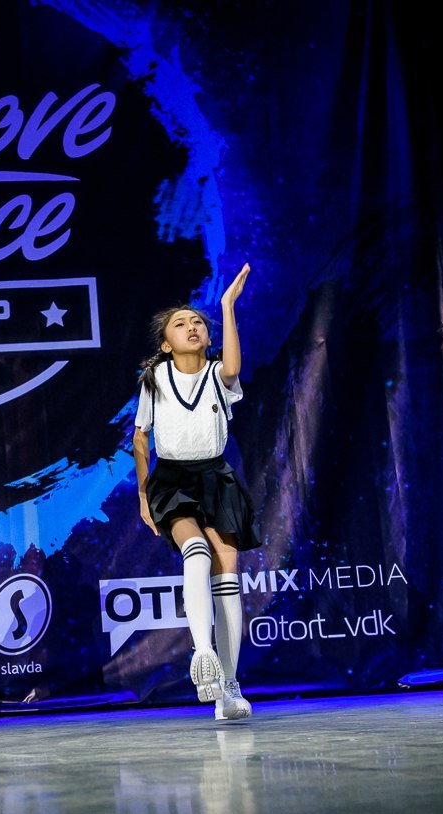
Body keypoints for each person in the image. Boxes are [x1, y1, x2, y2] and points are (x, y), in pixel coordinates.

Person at [133, 264, 259, 721]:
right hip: (172, 480)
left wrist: (226, 305)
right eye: (181, 324)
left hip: (216, 478)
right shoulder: (155, 378)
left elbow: (233, 366)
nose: (192, 327)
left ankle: (229, 687)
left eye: (198, 323)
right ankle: (202, 652)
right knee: (197, 551)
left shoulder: (219, 374)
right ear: (166, 343)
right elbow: (141, 438)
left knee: (227, 574)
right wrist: (144, 496)